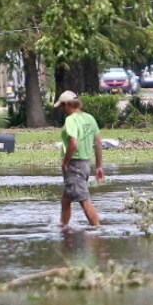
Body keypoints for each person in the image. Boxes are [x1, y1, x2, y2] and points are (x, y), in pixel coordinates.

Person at [55, 90, 104, 227]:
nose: (61, 109)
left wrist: (65, 163)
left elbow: (73, 143)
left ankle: (97, 229)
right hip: (85, 165)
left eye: (62, 106)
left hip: (74, 165)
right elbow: (98, 142)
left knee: (84, 200)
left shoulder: (70, 119)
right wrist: (99, 166)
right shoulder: (89, 118)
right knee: (66, 199)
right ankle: (63, 226)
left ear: (66, 104)